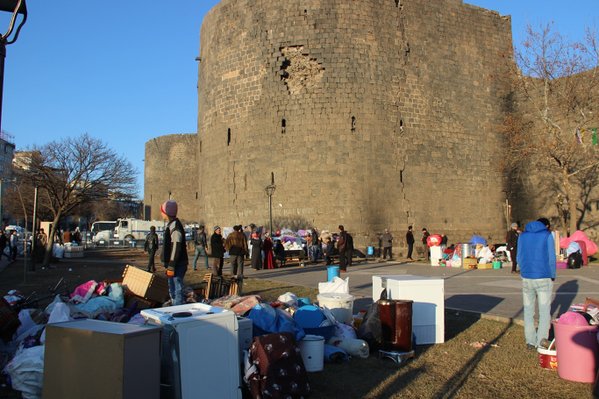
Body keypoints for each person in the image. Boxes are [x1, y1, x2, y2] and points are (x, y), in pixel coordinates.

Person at [517, 218, 556, 349]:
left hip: (527, 276)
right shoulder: (547, 235)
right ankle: (541, 342)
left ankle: (530, 341)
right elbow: (551, 257)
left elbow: (518, 257)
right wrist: (553, 274)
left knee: (528, 310)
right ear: (545, 226)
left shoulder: (522, 236)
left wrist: (524, 270)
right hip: (544, 276)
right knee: (544, 311)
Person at [160, 200, 188, 306]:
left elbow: (176, 246)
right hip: (174, 263)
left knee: (177, 289)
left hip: (177, 263)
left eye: (162, 211)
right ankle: (174, 306)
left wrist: (171, 264)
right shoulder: (171, 225)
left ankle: (177, 310)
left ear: (166, 212)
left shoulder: (175, 227)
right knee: (173, 288)